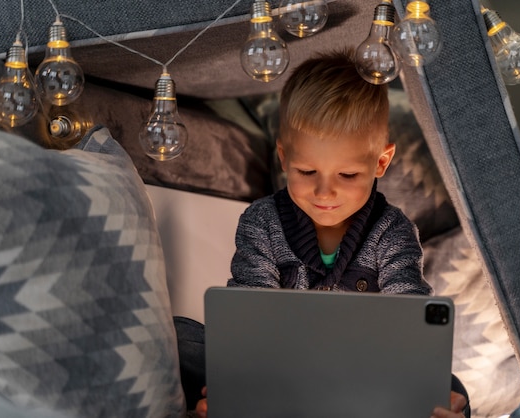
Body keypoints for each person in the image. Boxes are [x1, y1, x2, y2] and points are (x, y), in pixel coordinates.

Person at [190, 47, 469, 418]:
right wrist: (241, 376)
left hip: (366, 380)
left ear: (381, 161)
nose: (324, 193)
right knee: (184, 340)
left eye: (348, 175)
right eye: (307, 172)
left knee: (451, 387)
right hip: (280, 376)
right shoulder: (261, 221)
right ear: (284, 158)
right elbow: (249, 309)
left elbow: (409, 316)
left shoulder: (394, 231)